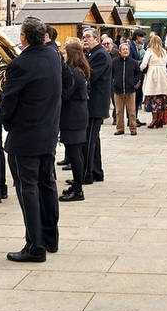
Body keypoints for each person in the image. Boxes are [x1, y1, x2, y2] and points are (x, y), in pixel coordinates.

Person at [0, 16, 62, 261]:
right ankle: (50, 239)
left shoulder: (20, 64)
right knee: (47, 185)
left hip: (25, 136)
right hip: (48, 133)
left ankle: (34, 246)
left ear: (23, 37)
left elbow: (8, 102)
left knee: (28, 189)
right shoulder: (52, 56)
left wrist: (6, 121)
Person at [60, 42, 90, 202]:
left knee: (74, 154)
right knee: (76, 153)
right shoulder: (79, 71)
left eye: (65, 53)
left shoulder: (73, 74)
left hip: (72, 118)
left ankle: (78, 190)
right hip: (77, 116)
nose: (64, 56)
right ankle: (77, 185)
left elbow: (64, 96)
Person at [81, 28, 111, 184]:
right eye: (83, 37)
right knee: (94, 140)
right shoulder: (90, 54)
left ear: (97, 39)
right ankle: (97, 171)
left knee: (88, 141)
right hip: (92, 104)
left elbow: (89, 75)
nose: (85, 39)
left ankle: (86, 175)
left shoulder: (99, 54)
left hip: (95, 105)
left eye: (88, 37)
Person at [140, 35, 167, 129]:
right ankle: (160, 119)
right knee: (161, 97)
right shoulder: (164, 52)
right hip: (163, 74)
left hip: (153, 74)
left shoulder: (149, 51)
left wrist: (139, 69)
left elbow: (144, 64)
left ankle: (154, 119)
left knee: (153, 96)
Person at [111, 42, 142, 135]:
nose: (125, 51)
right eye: (123, 49)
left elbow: (139, 74)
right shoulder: (114, 62)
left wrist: (134, 82)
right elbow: (110, 74)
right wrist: (114, 83)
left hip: (130, 90)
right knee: (119, 111)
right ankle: (120, 128)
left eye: (127, 49)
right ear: (120, 51)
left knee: (132, 111)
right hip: (118, 90)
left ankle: (133, 128)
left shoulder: (134, 62)